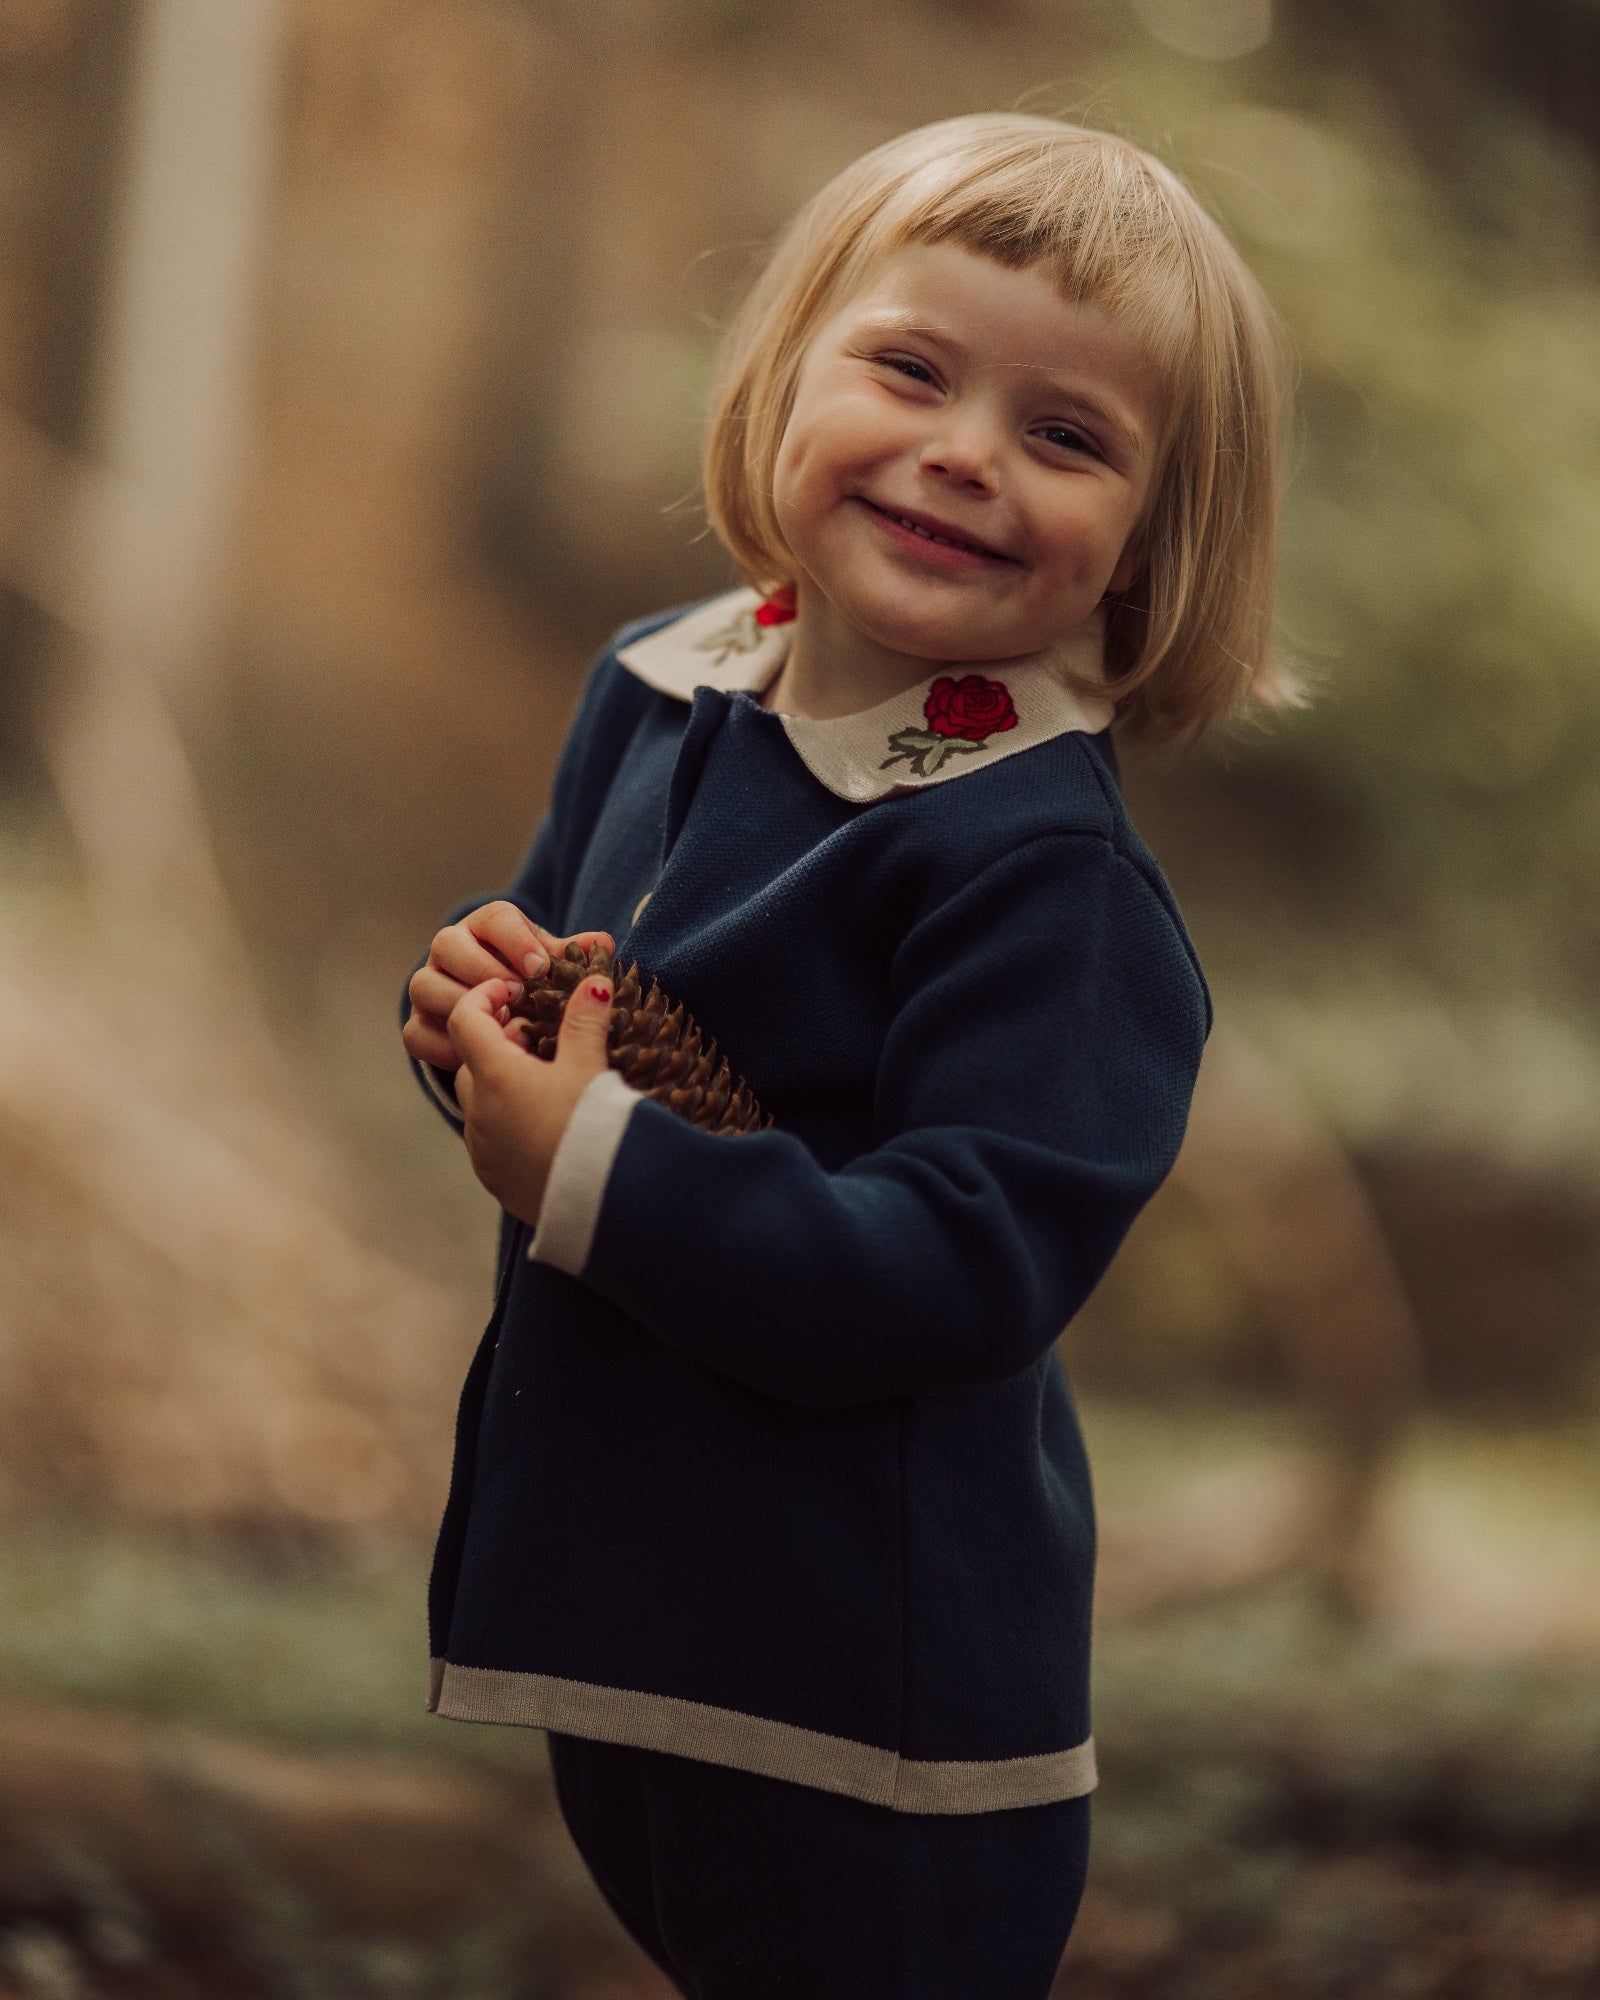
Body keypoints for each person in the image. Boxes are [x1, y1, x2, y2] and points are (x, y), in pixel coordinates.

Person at [399, 111, 1295, 2000]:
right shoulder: (665, 682)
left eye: (1068, 437)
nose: (967, 454)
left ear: (1152, 543)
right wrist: (479, 1023)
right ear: (790, 367)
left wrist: (589, 1166)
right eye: (910, 368)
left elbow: (959, 1262)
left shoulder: (1049, 881)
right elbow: (586, 1015)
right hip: (623, 1574)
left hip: (861, 1681)